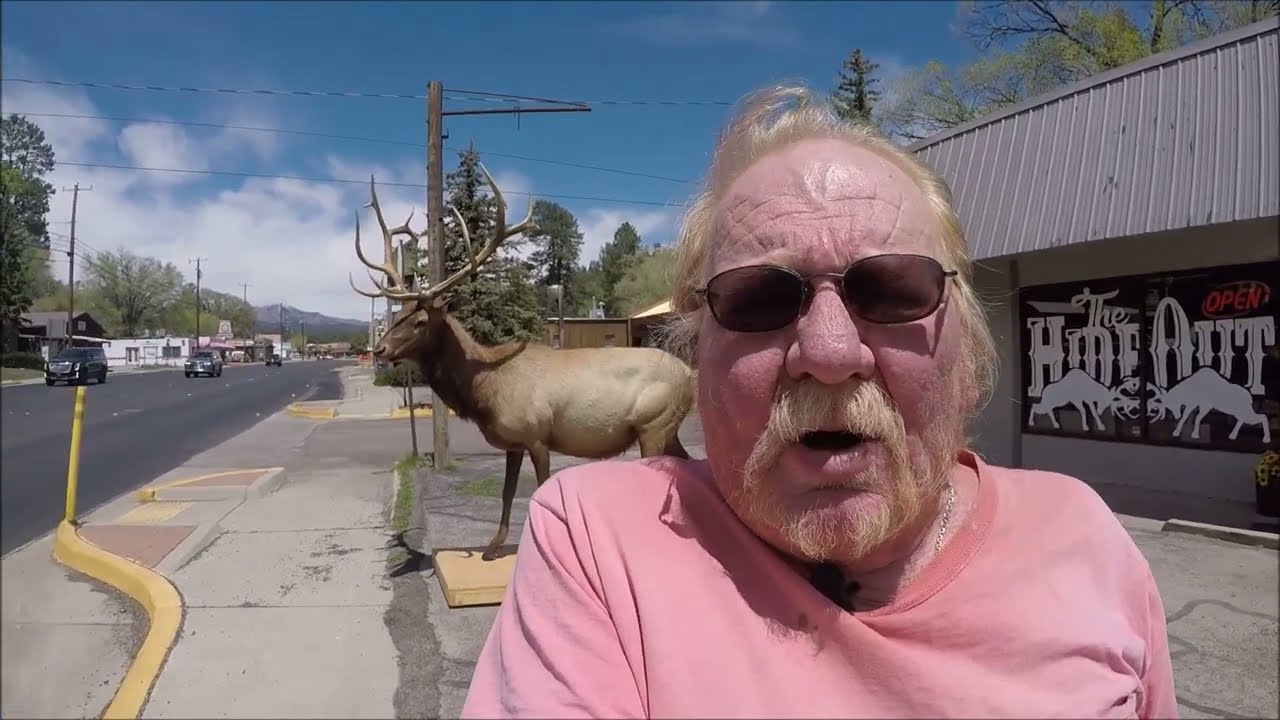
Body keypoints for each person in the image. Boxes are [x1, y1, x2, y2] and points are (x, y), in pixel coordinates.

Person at [460, 84, 1178, 719]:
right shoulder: (597, 540)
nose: (831, 355)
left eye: (893, 293)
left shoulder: (1081, 534)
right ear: (698, 357)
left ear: (968, 351)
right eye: (758, 299)